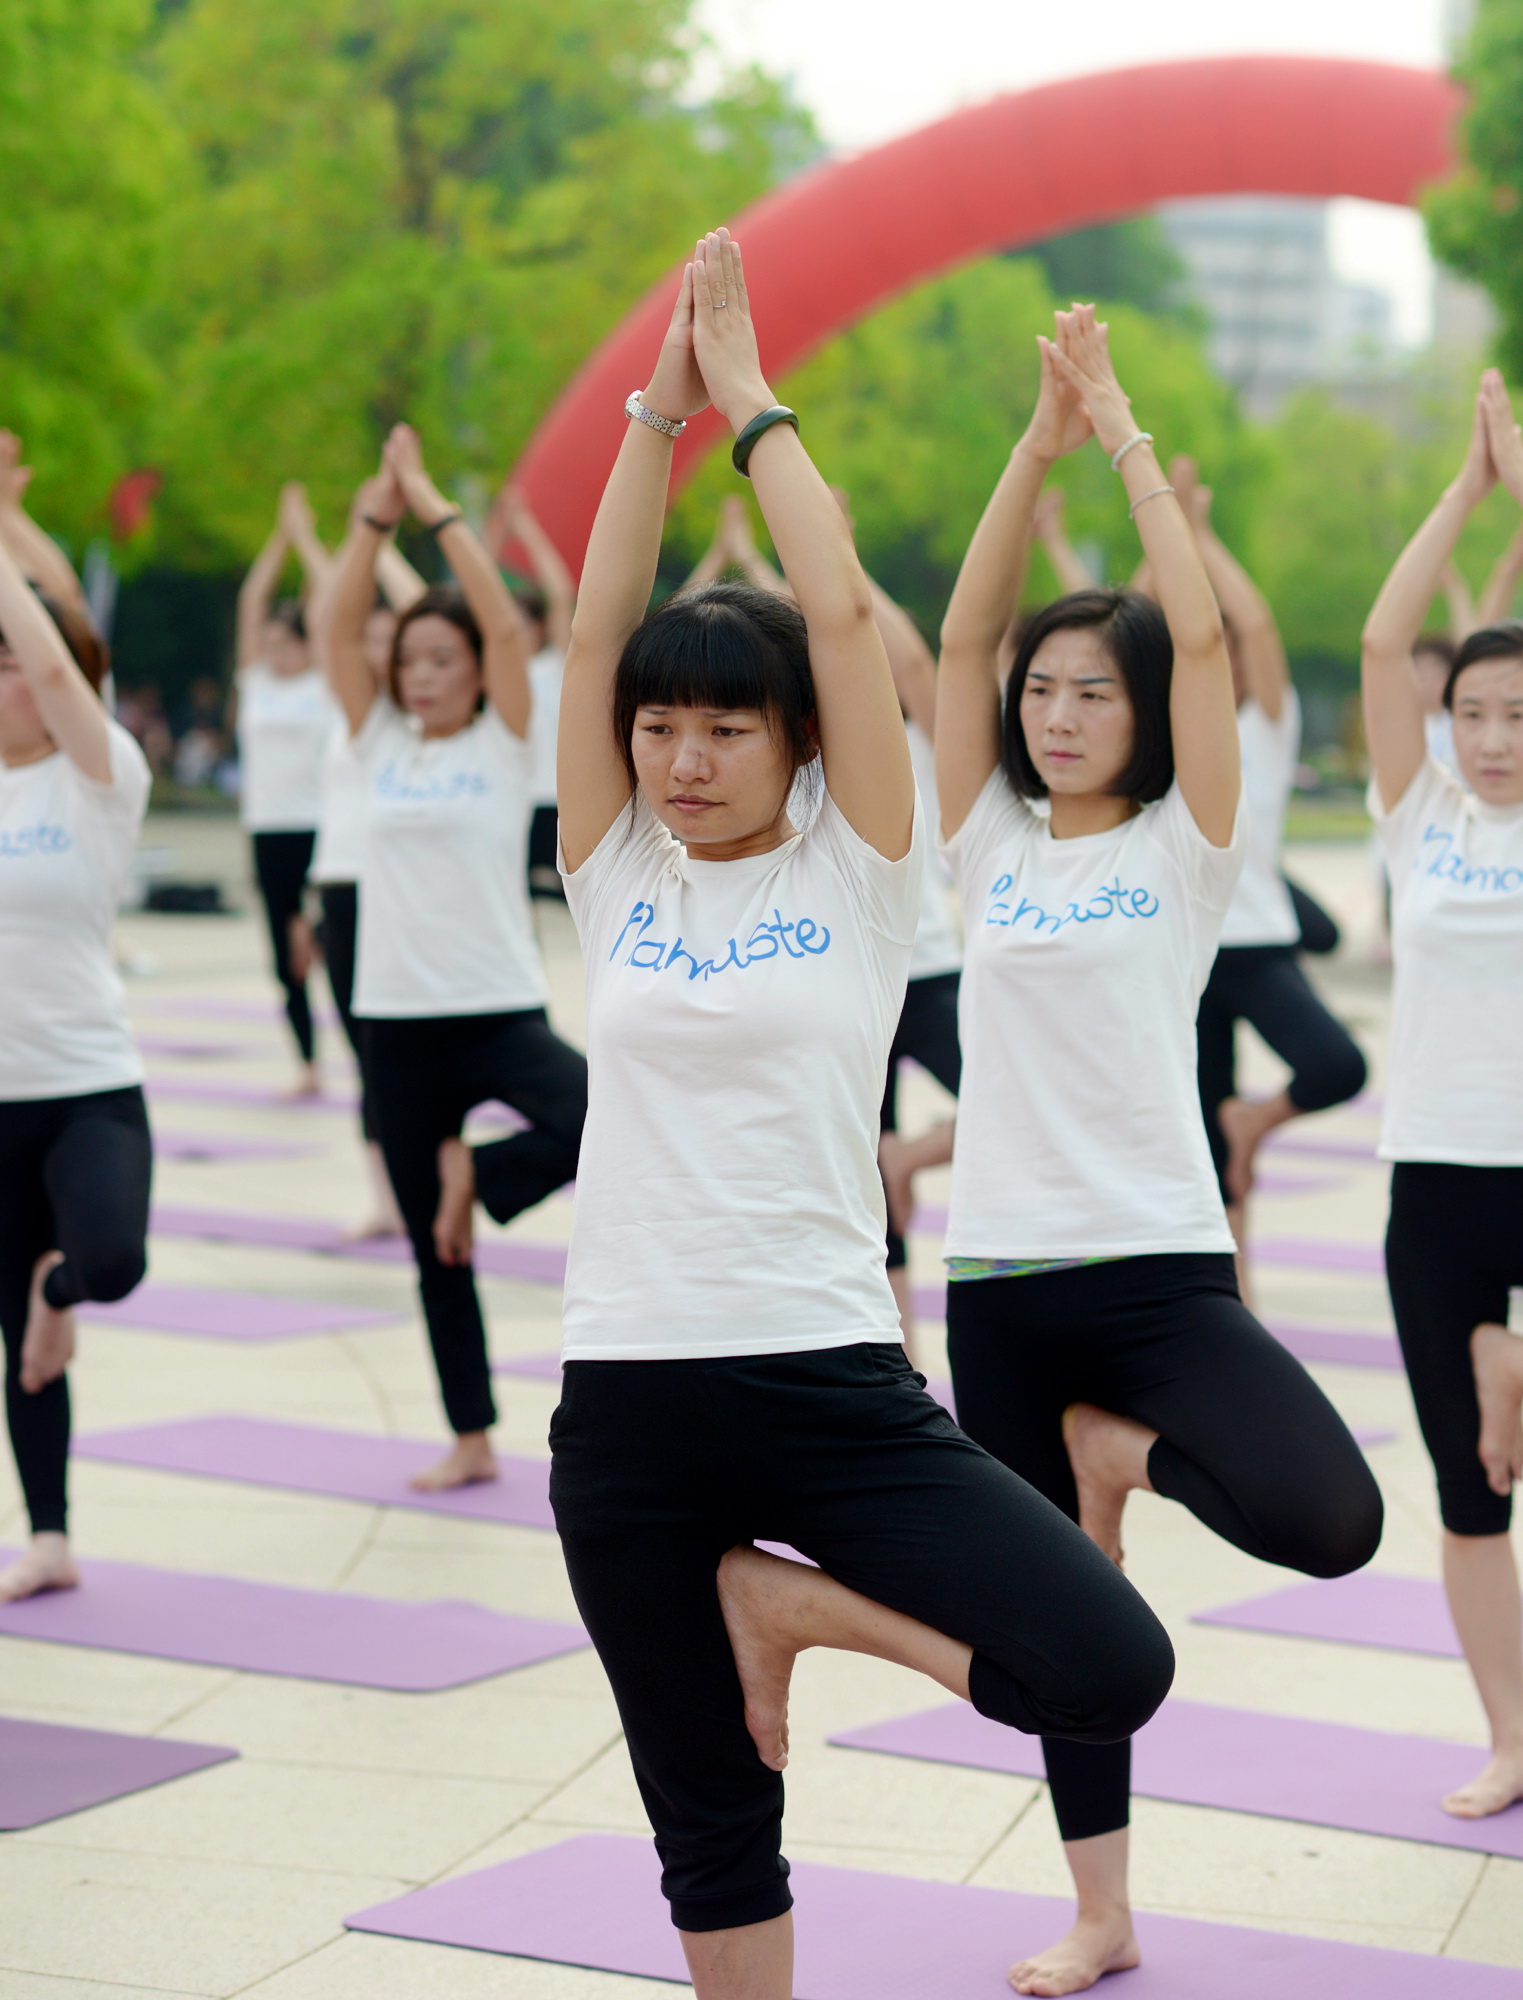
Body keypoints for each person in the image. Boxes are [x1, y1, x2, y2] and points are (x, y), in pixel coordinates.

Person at [549, 229, 1174, 2000]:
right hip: (628, 1406)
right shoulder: (615, 876)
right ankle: (756, 1623)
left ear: (799, 746)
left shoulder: (871, 870)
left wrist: (752, 414)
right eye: (658, 728)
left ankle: (795, 1601)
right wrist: (643, 419)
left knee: (1101, 1661)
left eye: (722, 731)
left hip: (826, 1383)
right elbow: (597, 624)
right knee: (708, 1823)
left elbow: (838, 620)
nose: (679, 758)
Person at [934, 306, 1383, 1997]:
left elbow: (1199, 644)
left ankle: (1120, 1455)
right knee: (1064, 1640)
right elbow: (962, 625)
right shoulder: (980, 844)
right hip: (997, 1283)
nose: (1057, 714)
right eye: (1039, 693)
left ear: (1136, 719)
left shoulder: (1186, 850)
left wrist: (1117, 434)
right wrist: (1024, 450)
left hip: (1157, 1274)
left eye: (1089, 693)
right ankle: (1100, 1910)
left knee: (1328, 1517)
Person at [324, 425, 587, 1492]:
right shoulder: (378, 738)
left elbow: (500, 617)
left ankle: (479, 1174)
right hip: (392, 1018)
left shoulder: (505, 737)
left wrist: (433, 507)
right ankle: (469, 1431)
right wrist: (369, 519)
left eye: (444, 659)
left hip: (496, 1004)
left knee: (600, 1117)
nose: (422, 674)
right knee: (438, 1257)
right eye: (410, 661)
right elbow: (343, 626)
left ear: (479, 667)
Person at [683, 493, 962, 1347]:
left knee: (1005, 1102)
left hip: (931, 967)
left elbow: (905, 657)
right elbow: (784, 635)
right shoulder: (779, 746)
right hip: (834, 983)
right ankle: (899, 1345)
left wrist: (835, 556)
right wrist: (778, 574)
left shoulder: (911, 733)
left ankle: (907, 1160)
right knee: (852, 1167)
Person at [1361, 367, 1523, 1822]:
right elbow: (1378, 635)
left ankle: (1504, 1360)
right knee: (1468, 1497)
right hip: (1435, 1180)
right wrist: (1462, 491)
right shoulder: (1414, 822)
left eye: (1518, 714)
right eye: (1470, 711)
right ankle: (1509, 1736)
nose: (1487, 738)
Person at [1168, 456, 1368, 1276]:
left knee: (1335, 1063)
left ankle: (1257, 1122)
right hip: (1187, 957)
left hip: (1258, 946)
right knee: (1204, 1161)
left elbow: (1252, 627)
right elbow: (1145, 619)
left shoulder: (1267, 729)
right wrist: (1165, 537)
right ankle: (1233, 1299)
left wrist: (1198, 536)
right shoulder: (1166, 740)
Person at [0, 526, 152, 1602]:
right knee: (19, 1342)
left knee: (107, 1261)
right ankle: (47, 1533)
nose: (12, 677)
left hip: (88, 1085)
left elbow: (54, 660)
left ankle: (63, 1285)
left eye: (13, 657)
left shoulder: (101, 778)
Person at [309, 490, 426, 1237]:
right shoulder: (355, 713)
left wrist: (385, 545)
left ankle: (424, 1178)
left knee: (408, 1054)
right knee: (366, 1055)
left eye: (398, 642)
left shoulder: (422, 720)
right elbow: (332, 623)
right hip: (341, 889)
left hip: (400, 892)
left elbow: (449, 618)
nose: (381, 651)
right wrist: (362, 536)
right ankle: (386, 1196)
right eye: (374, 641)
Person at [232, 483, 337, 1096]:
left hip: (317, 825)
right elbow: (252, 600)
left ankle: (316, 932)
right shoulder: (256, 683)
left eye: (284, 641)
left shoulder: (321, 682)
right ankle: (307, 1063)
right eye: (267, 642)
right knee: (283, 960)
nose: (272, 649)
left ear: (304, 644)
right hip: (267, 827)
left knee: (323, 937)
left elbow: (328, 602)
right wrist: (278, 537)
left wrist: (305, 539)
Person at [486, 482, 577, 900]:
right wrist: (496, 536)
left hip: (556, 800)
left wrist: (524, 528)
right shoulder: (489, 669)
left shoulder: (554, 664)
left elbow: (559, 594)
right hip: (509, 799)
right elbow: (477, 593)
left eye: (525, 623)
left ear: (539, 628)